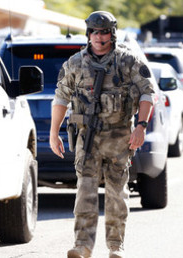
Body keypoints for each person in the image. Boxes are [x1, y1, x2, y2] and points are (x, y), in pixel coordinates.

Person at [49, 11, 154, 258]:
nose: (98, 37)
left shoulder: (128, 62)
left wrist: (141, 126)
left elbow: (147, 94)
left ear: (112, 34)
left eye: (104, 31)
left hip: (119, 137)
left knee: (117, 193)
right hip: (87, 138)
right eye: (94, 32)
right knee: (85, 191)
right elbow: (61, 98)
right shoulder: (75, 63)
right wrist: (54, 134)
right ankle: (82, 245)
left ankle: (116, 246)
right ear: (88, 35)